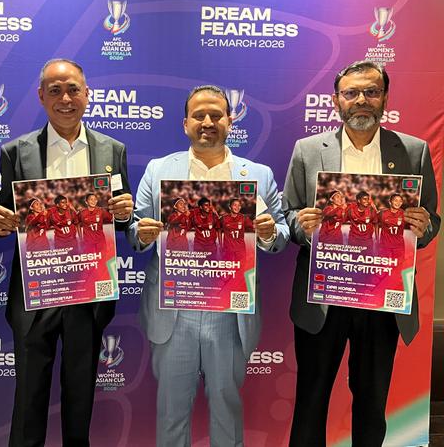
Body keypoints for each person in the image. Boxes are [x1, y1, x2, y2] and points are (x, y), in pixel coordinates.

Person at [282, 60, 440, 447]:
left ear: (385, 98)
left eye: (371, 92)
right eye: (351, 93)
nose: (361, 100)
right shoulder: (307, 150)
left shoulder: (414, 151)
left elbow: (431, 219)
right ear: (336, 100)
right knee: (310, 402)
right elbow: (289, 214)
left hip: (382, 298)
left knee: (371, 405)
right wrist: (303, 226)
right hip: (323, 296)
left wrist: (423, 227)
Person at [127, 85, 289, 446]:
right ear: (185, 123)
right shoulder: (158, 169)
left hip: (230, 311)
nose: (207, 122)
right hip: (174, 308)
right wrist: (143, 232)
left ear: (230, 121)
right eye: (198, 115)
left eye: (216, 115)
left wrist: (267, 233)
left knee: (226, 407)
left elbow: (281, 233)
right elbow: (135, 229)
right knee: (171, 411)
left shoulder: (258, 174)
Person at [0, 58, 134, 447]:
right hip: (35, 293)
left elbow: (119, 221)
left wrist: (124, 213)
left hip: (88, 292)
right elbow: (2, 218)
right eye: (55, 91)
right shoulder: (16, 152)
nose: (65, 99)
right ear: (41, 96)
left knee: (80, 399)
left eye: (73, 90)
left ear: (87, 94)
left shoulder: (112, 149)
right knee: (28, 400)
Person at [378, 193, 406, 260]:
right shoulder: (382, 213)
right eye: (396, 200)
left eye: (400, 201)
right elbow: (375, 223)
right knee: (383, 265)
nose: (398, 203)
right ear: (390, 202)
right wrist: (377, 238)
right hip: (385, 246)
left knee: (399, 265)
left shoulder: (404, 214)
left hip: (398, 246)